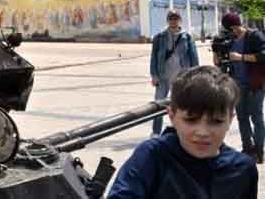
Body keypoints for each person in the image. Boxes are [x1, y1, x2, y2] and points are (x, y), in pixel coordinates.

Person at [108, 66, 257, 198]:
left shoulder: (243, 169)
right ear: (172, 116)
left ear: (230, 120)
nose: (203, 132)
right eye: (191, 120)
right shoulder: (153, 156)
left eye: (216, 121)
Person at [216, 11, 265, 163]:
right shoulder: (229, 39)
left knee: (256, 117)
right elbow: (223, 61)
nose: (231, 33)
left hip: (255, 84)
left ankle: (259, 150)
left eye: (230, 29)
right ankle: (247, 148)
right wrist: (218, 57)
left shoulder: (254, 36)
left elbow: (263, 55)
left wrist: (241, 57)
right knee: (242, 118)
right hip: (236, 85)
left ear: (235, 26)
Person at [150, 10, 199, 135]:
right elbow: (154, 58)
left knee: (181, 106)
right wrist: (154, 75)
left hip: (181, 78)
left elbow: (194, 57)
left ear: (180, 20)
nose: (173, 21)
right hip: (163, 77)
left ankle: (179, 130)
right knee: (158, 105)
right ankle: (156, 132)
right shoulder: (159, 37)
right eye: (171, 19)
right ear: (167, 20)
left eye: (176, 19)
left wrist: (195, 75)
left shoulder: (187, 37)